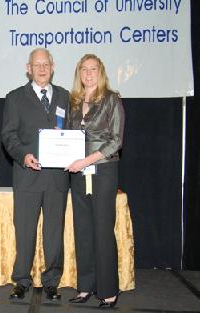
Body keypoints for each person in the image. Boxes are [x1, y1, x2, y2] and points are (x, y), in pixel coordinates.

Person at [2, 48, 69, 300]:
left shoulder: (65, 96)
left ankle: (51, 281)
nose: (42, 69)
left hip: (57, 178)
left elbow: (72, 132)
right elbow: (8, 135)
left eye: (46, 64)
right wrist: (23, 156)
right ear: (28, 68)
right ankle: (21, 280)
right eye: (36, 65)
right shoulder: (15, 97)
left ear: (52, 67)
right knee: (25, 231)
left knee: (54, 233)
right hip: (27, 175)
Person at [65, 54, 125, 308]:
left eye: (93, 69)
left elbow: (116, 140)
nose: (88, 74)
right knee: (83, 231)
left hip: (102, 170)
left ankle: (109, 290)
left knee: (102, 229)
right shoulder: (74, 102)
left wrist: (87, 160)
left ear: (101, 72)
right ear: (79, 73)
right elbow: (69, 135)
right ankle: (85, 287)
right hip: (78, 174)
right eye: (84, 69)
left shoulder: (112, 99)